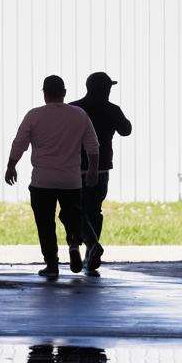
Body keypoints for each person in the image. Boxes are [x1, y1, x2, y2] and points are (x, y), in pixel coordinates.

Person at [6, 75, 100, 277]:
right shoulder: (79, 114)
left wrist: (11, 165)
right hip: (71, 181)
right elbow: (93, 146)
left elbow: (19, 142)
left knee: (45, 223)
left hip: (42, 181)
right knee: (72, 217)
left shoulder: (34, 115)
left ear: (44, 94)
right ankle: (73, 245)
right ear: (64, 93)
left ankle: (52, 264)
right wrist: (93, 170)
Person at [70, 71, 133, 275]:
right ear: (106, 89)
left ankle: (81, 246)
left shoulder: (74, 108)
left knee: (73, 209)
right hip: (101, 167)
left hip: (74, 167)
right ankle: (91, 249)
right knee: (94, 210)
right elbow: (126, 130)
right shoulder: (112, 109)